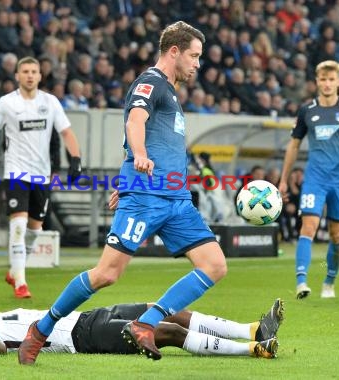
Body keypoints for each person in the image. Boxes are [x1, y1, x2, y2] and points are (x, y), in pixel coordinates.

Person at [19, 21, 228, 365]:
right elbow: (135, 121)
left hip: (175, 198)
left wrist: (130, 171)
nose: (197, 64)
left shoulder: (171, 92)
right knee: (107, 274)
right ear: (173, 51)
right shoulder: (151, 82)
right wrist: (140, 157)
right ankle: (40, 330)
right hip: (146, 196)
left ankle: (146, 323)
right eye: (194, 56)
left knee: (215, 265)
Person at [0, 56, 82, 299]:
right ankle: (21, 283)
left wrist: (76, 159)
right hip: (15, 172)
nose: (29, 75)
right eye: (25, 71)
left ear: (39, 76)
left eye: (34, 71)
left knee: (35, 229)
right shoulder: (7, 103)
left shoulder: (50, 102)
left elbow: (66, 132)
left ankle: (14, 271)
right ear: (17, 75)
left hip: (41, 174)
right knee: (18, 225)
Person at [278, 60, 339, 300]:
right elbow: (293, 147)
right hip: (315, 178)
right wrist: (283, 179)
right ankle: (301, 281)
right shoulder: (307, 110)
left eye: (331, 79)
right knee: (308, 227)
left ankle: (329, 282)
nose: (327, 83)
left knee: (336, 236)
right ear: (317, 81)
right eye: (323, 79)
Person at [0, 296, 282, 359]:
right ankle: (253, 350)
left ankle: (253, 330)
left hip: (88, 317)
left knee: (162, 309)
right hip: (85, 337)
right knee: (166, 333)